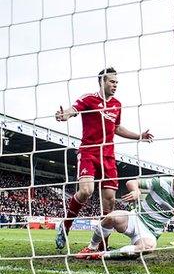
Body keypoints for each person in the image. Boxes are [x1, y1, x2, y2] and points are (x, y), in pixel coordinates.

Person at [54, 68, 153, 252]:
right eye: (112, 82)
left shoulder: (117, 104)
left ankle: (102, 244)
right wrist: (64, 115)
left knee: (110, 202)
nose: (115, 85)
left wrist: (139, 136)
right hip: (89, 152)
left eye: (116, 82)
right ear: (102, 81)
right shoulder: (89, 99)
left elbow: (116, 128)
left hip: (108, 156)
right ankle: (65, 226)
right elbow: (73, 110)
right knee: (86, 191)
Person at [75, 170, 174, 260]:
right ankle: (91, 247)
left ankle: (101, 255)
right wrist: (136, 191)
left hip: (150, 232)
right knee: (111, 217)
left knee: (147, 248)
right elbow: (131, 182)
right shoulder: (161, 183)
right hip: (136, 218)